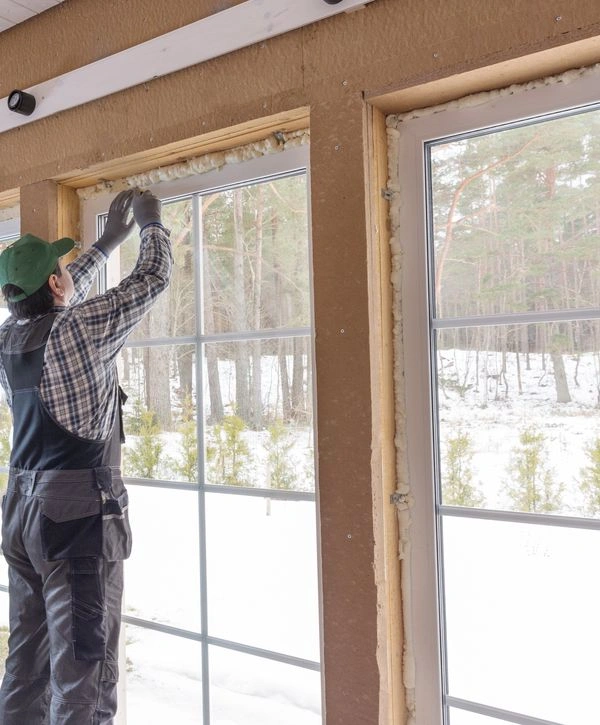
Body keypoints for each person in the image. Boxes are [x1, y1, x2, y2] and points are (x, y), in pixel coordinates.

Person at [0, 188, 172, 724]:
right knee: (83, 670)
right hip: (73, 518)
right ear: (55, 281)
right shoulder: (77, 329)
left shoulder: (8, 337)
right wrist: (150, 227)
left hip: (21, 511)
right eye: (62, 270)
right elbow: (150, 281)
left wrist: (105, 242)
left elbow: (61, 304)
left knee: (27, 661)